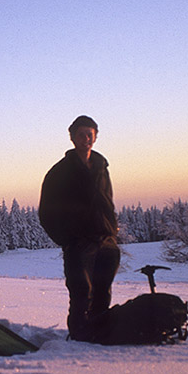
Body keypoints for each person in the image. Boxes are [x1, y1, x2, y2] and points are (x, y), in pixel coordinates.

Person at [38, 115, 120, 341]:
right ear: (72, 137)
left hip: (106, 241)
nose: (86, 139)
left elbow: (107, 201)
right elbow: (46, 212)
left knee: (103, 291)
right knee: (81, 292)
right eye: (81, 134)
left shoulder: (102, 167)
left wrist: (111, 230)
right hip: (79, 244)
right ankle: (78, 338)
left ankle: (99, 334)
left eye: (90, 134)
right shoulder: (59, 172)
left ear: (96, 136)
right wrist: (69, 239)